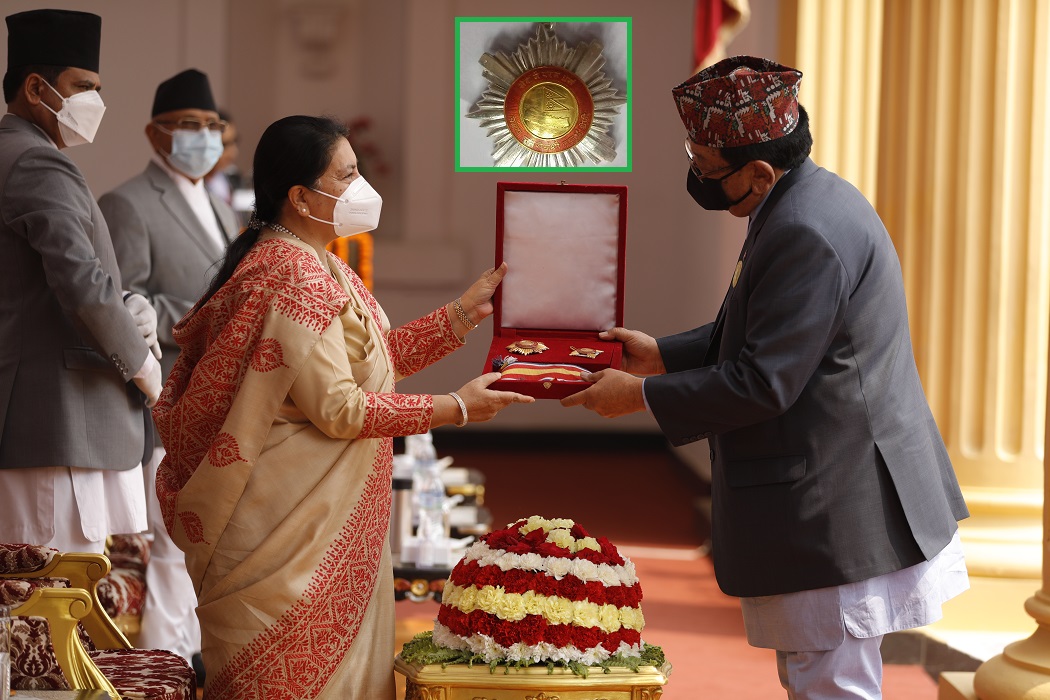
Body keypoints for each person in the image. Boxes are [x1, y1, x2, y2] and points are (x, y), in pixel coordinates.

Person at [561, 56, 970, 699]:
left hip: (835, 500)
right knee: (817, 678)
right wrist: (663, 356)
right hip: (837, 482)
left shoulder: (804, 228)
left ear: (757, 171)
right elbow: (765, 329)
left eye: (705, 166)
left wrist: (640, 396)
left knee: (829, 684)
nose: (698, 177)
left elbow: (764, 381)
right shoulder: (802, 197)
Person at [153, 115, 533, 698]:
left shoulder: (312, 260)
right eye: (347, 175)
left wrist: (460, 316)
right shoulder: (292, 275)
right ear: (301, 197)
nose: (362, 188)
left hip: (315, 522)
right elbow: (340, 408)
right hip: (287, 539)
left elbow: (370, 363)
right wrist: (456, 408)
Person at [0, 8, 160, 554]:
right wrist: (145, 369)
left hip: (43, 429)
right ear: (35, 88)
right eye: (83, 87)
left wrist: (129, 300)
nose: (95, 102)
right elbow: (80, 281)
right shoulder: (36, 161)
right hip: (57, 426)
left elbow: (36, 280)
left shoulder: (18, 154)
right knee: (55, 592)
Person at [99, 68, 237, 671]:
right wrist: (206, 315)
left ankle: (195, 656)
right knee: (170, 543)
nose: (203, 136)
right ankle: (163, 664)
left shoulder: (224, 208)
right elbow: (121, 303)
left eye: (211, 125)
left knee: (204, 543)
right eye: (188, 125)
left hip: (217, 400)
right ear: (156, 134)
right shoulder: (128, 203)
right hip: (166, 399)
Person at [204, 108, 240, 207]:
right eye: (224, 144)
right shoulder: (196, 186)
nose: (233, 152)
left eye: (235, 141)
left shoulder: (226, 179)